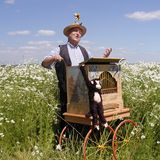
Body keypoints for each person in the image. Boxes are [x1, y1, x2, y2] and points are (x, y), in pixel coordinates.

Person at [41, 14, 112, 132]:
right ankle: (64, 139)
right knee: (66, 116)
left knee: (85, 113)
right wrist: (53, 57)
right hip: (66, 90)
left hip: (83, 90)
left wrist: (104, 57)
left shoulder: (85, 51)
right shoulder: (60, 49)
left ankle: (83, 134)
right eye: (75, 31)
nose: (78, 33)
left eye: (80, 32)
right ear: (68, 34)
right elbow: (44, 63)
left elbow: (94, 65)